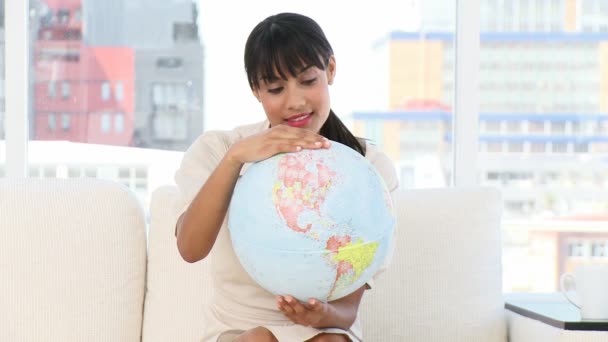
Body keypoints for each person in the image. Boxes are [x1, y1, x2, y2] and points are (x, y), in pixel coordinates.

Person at [174, 12, 398, 342]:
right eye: (276, 88)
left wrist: (323, 314)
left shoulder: (367, 168)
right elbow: (190, 248)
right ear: (256, 90)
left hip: (324, 329)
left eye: (308, 81)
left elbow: (347, 312)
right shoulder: (219, 149)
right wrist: (236, 158)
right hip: (238, 329)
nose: (295, 102)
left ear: (330, 70)